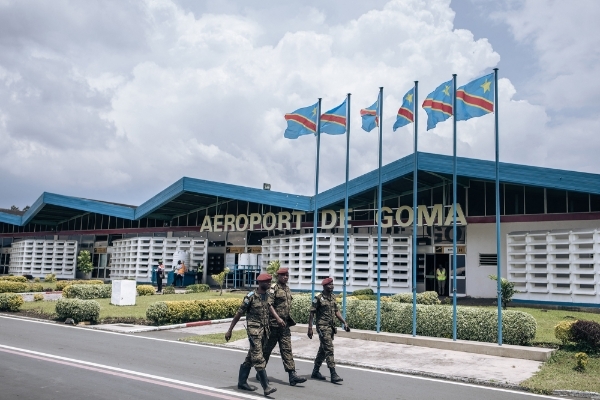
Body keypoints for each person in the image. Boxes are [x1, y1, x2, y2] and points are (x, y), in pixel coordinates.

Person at [225, 273, 285, 396]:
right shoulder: (250, 297)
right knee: (258, 357)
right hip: (254, 332)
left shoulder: (267, 295)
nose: (269, 284)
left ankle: (242, 382)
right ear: (260, 283)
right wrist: (230, 330)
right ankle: (266, 387)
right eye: (267, 282)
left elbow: (270, 307)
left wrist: (278, 318)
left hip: (264, 331)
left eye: (270, 282)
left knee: (251, 357)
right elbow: (238, 314)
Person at [261, 267, 307, 386]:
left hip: (284, 325)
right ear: (279, 276)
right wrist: (277, 318)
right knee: (266, 350)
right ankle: (260, 372)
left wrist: (284, 319)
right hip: (273, 325)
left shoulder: (287, 289)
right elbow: (269, 304)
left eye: (287, 275)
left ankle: (292, 375)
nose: (286, 277)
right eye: (283, 275)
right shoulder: (273, 289)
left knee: (287, 349)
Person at [307, 277, 350, 383]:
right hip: (322, 327)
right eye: (329, 285)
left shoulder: (332, 297)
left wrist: (344, 323)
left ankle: (315, 371)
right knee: (329, 349)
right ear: (324, 286)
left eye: (332, 284)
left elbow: (336, 311)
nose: (332, 286)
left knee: (323, 350)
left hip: (330, 327)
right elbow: (312, 313)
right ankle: (333, 374)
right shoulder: (318, 298)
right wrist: (310, 328)